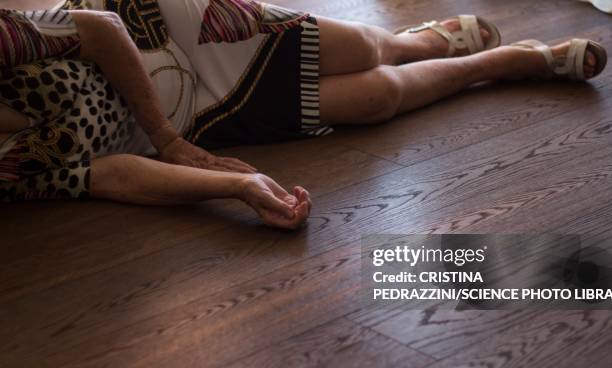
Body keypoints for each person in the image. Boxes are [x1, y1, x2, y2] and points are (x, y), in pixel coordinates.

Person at [0, 0, 607, 229]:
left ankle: (413, 42)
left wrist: (160, 134)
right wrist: (236, 185)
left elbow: (102, 28)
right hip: (193, 116)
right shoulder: (7, 171)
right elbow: (109, 177)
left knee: (367, 50)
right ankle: (497, 63)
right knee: (377, 100)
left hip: (157, 31)